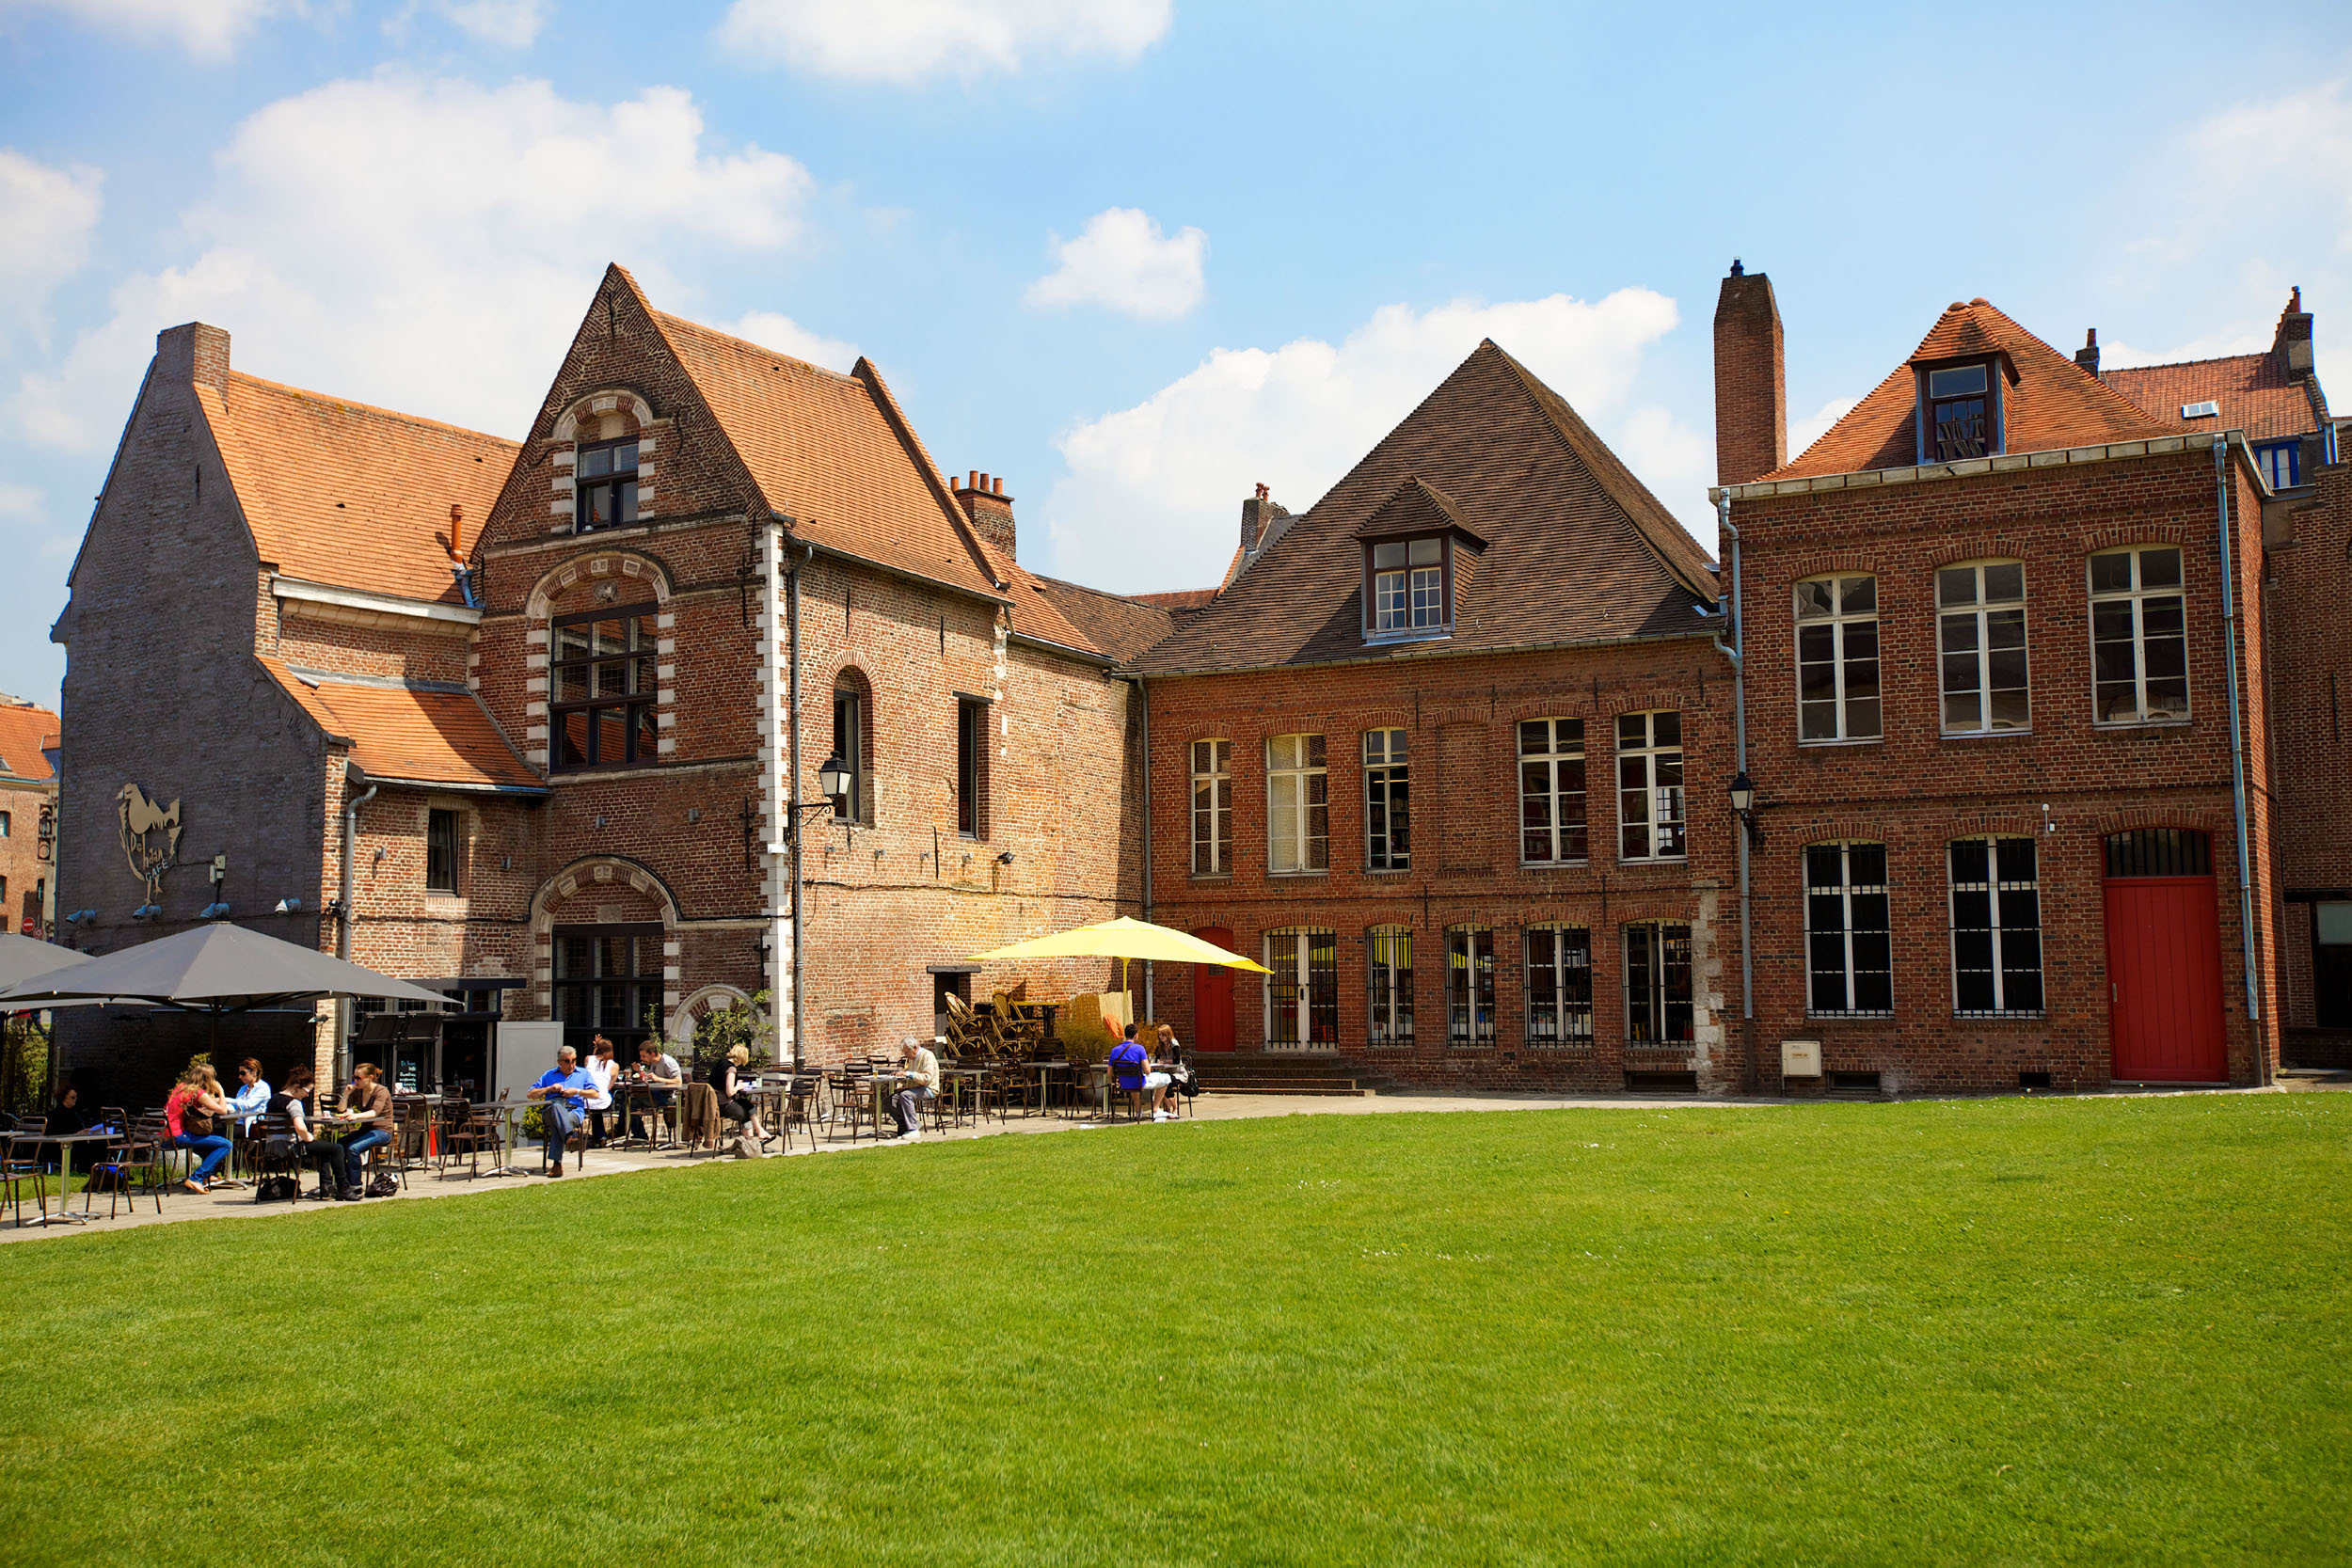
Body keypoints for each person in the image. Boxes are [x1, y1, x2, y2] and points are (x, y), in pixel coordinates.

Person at [527, 1045, 596, 1177]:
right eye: (567, 1061)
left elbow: (595, 1094)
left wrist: (576, 1091)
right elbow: (531, 1094)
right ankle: (570, 1137)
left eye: (574, 1060)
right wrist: (548, 1089)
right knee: (556, 1109)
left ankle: (557, 1164)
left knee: (559, 1124)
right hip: (551, 1110)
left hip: (574, 1111)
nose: (571, 1065)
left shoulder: (583, 1073)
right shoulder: (549, 1075)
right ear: (559, 1062)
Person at [164, 1065, 234, 1194]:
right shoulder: (198, 1092)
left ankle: (208, 1175)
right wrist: (221, 1092)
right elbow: (223, 1110)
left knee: (207, 1142)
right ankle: (197, 1178)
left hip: (166, 1136)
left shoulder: (181, 1088)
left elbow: (207, 1102)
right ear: (208, 1079)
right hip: (179, 1136)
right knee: (226, 1145)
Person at [330, 1063, 395, 1200]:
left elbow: (375, 1112)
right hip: (365, 1129)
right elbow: (341, 1110)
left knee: (353, 1148)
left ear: (370, 1077)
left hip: (382, 1131)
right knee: (337, 1146)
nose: (355, 1081)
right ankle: (342, 1183)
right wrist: (346, 1094)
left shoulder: (381, 1091)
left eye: (358, 1078)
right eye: (354, 1077)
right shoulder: (358, 1091)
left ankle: (355, 1185)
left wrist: (356, 1116)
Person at [707, 1044, 771, 1148]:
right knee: (745, 1115)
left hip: (713, 1103)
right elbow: (730, 1092)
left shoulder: (720, 1063)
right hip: (723, 1106)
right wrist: (738, 1086)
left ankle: (759, 1131)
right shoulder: (731, 1069)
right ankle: (750, 1146)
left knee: (745, 1103)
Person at [884, 1036, 939, 1141]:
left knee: (905, 1095)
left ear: (914, 1047)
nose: (906, 1055)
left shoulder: (927, 1056)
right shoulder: (911, 1059)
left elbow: (927, 1078)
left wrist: (908, 1074)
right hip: (915, 1087)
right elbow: (909, 1076)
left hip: (929, 1088)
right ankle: (904, 1125)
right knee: (889, 1100)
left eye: (907, 1052)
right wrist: (898, 1077)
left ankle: (913, 1129)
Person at [631, 1037, 682, 1142]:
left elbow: (678, 1081)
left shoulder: (668, 1062)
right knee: (628, 1102)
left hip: (668, 1097)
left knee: (634, 1100)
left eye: (644, 1056)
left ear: (653, 1054)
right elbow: (650, 1079)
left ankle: (631, 1132)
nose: (642, 1059)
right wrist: (639, 1072)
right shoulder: (653, 1064)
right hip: (655, 1094)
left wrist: (658, 1079)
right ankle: (639, 1134)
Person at [1107, 1023, 1152, 1120]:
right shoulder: (1140, 1049)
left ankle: (1139, 1111)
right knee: (1166, 1079)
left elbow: (1109, 1073)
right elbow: (1147, 1071)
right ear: (1136, 1035)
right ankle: (1157, 1109)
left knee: (1133, 1085)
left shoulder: (1114, 1050)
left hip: (1123, 1084)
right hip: (1138, 1083)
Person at [582, 1037, 619, 1147]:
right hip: (603, 1101)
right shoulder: (614, 1066)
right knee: (597, 1107)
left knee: (593, 1108)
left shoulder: (588, 1059)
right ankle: (601, 1137)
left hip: (587, 1101)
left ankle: (600, 1137)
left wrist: (596, 1046)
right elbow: (609, 1087)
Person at [226, 1057, 271, 1132]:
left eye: (243, 1073)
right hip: (238, 1123)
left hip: (253, 1126)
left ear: (254, 1072)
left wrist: (225, 1099)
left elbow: (248, 1105)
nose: (240, 1077)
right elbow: (236, 1105)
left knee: (225, 1132)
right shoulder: (243, 1088)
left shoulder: (263, 1087)